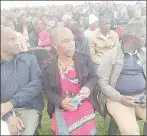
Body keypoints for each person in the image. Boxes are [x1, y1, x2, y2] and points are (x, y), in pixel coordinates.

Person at [41, 27, 100, 135]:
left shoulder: (84, 59)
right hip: (62, 103)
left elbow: (93, 78)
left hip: (84, 102)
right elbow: (47, 90)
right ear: (55, 45)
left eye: (72, 40)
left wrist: (88, 87)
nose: (71, 44)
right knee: (64, 131)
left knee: (87, 131)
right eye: (65, 41)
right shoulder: (47, 67)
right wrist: (60, 101)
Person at [98, 22, 146, 135]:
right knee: (131, 132)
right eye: (143, 35)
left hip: (142, 97)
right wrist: (120, 98)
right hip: (118, 98)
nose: (146, 38)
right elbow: (103, 83)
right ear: (132, 38)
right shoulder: (110, 55)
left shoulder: (144, 54)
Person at [1, 27, 44, 135]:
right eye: (12, 40)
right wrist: (8, 116)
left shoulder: (29, 59)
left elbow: (37, 83)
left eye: (16, 39)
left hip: (28, 107)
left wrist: (12, 103)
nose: (17, 43)